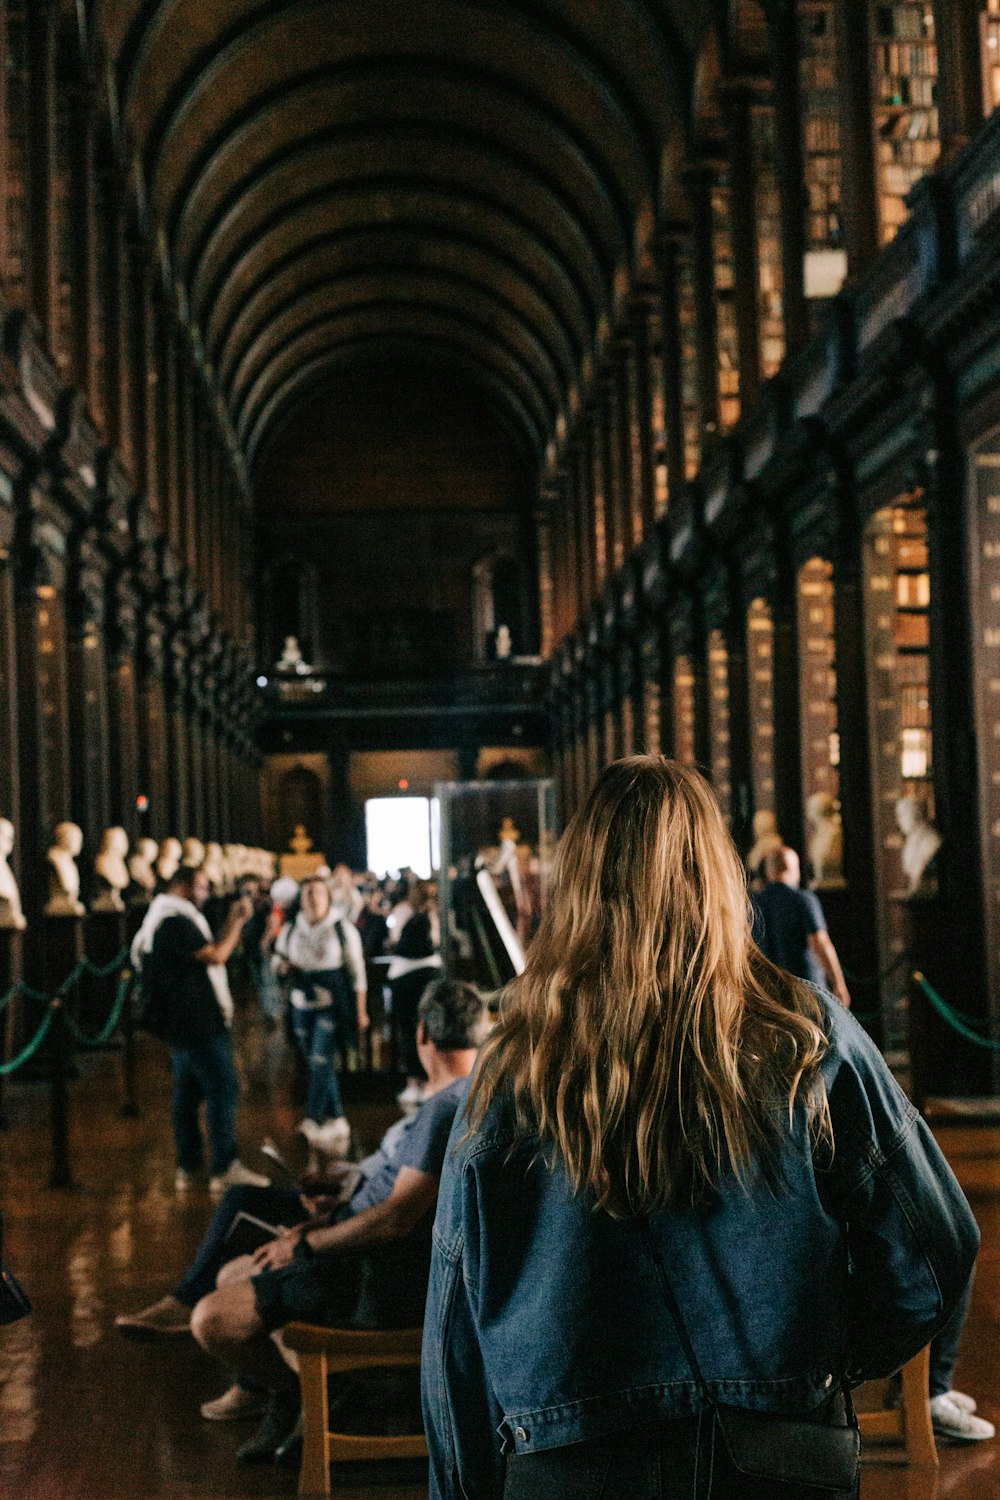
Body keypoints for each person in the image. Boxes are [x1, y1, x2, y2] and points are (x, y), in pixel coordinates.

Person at [422, 757, 980, 1500]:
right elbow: (939, 1247)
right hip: (777, 1452)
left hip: (570, 1463)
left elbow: (455, 1321)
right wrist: (821, 1362)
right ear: (717, 872)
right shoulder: (807, 1036)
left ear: (580, 881)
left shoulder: (510, 1069)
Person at [189, 977, 484, 1463]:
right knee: (231, 1273)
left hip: (376, 1276)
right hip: (375, 1260)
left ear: (422, 1037)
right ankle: (307, 1395)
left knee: (211, 1320)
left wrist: (306, 1246)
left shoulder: (443, 1111)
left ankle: (310, 1397)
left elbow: (396, 1220)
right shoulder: (469, 1096)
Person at [131, 866, 269, 1195]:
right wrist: (237, 922)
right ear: (182, 886)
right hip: (196, 1020)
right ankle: (225, 1166)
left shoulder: (164, 917)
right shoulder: (174, 921)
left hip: (181, 1021)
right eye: (202, 887)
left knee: (188, 1092)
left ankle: (189, 1164)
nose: (206, 894)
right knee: (223, 1087)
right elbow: (217, 955)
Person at [273, 873, 368, 1153]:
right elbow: (277, 961)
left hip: (331, 1003)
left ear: (327, 897)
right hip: (301, 1003)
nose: (313, 899)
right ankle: (338, 1118)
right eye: (307, 894)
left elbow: (357, 972)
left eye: (318, 893)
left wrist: (360, 1011)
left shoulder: (341, 928)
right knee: (315, 1061)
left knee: (320, 1058)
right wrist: (284, 969)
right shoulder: (292, 928)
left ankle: (312, 1118)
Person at [751, 844, 851, 1009]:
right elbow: (820, 943)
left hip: (767, 993)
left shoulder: (753, 905)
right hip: (805, 989)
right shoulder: (803, 900)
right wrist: (839, 984)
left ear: (769, 872)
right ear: (791, 868)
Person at [387, 879, 442, 1109]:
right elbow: (438, 940)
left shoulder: (401, 911)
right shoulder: (435, 913)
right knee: (426, 1029)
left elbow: (394, 939)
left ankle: (414, 1081)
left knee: (408, 1030)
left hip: (404, 975)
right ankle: (430, 1081)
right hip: (430, 972)